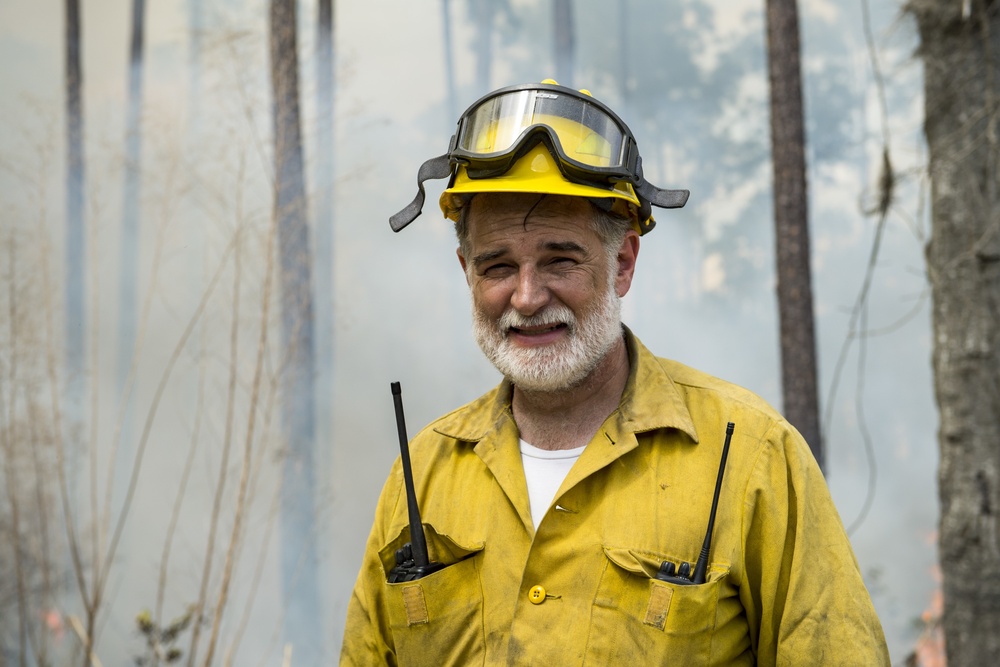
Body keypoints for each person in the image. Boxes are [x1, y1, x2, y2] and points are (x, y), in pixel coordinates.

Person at [341, 81, 889, 666]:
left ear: (623, 262)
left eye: (560, 259)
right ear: (466, 273)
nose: (526, 297)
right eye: (498, 266)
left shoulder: (753, 458)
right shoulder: (422, 478)